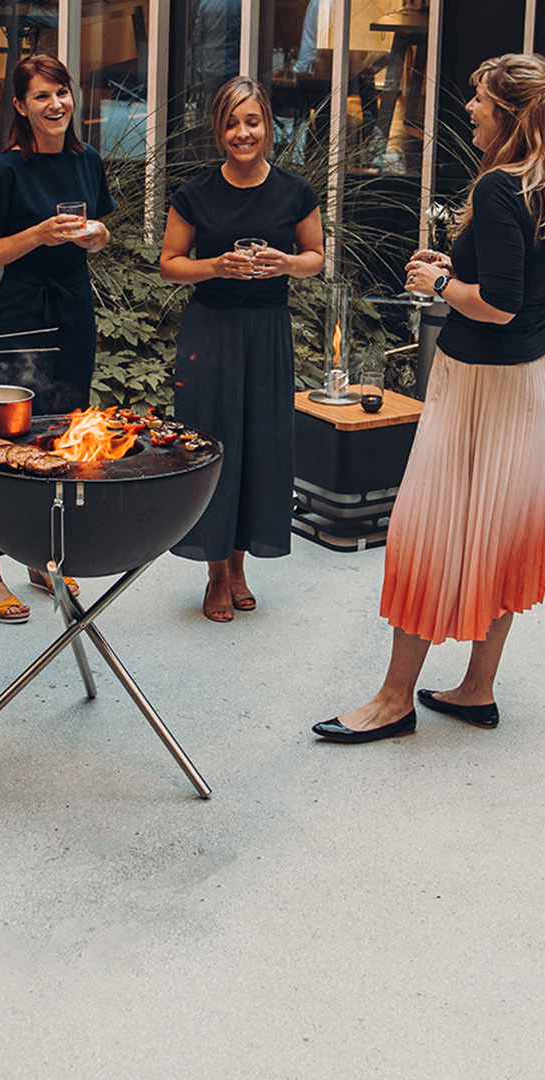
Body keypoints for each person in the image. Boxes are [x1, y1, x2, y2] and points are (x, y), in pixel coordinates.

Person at [315, 53, 545, 743]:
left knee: (424, 530)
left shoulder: (503, 187)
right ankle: (477, 689)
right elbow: (525, 286)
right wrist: (460, 267)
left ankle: (394, 701)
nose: (469, 110)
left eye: (478, 100)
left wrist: (438, 287)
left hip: (478, 387)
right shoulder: (538, 186)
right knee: (499, 533)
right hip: (524, 386)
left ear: (507, 112)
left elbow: (500, 305)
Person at [158, 75, 324, 622]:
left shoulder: (295, 191)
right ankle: (213, 572)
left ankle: (239, 564)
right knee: (214, 446)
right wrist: (216, 267)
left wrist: (286, 264)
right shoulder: (195, 192)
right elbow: (170, 263)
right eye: (231, 122)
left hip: (267, 331)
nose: (242, 132)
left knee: (260, 447)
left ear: (269, 127)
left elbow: (316, 257)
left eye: (252, 121)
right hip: (212, 331)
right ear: (218, 130)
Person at [0, 53, 115, 623]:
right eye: (43, 96)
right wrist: (37, 234)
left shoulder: (88, 160)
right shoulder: (4, 171)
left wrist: (96, 234)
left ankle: (44, 557)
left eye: (63, 93)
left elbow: (100, 232)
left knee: (64, 434)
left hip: (74, 309)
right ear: (21, 107)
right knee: (8, 441)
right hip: (22, 312)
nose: (56, 105)